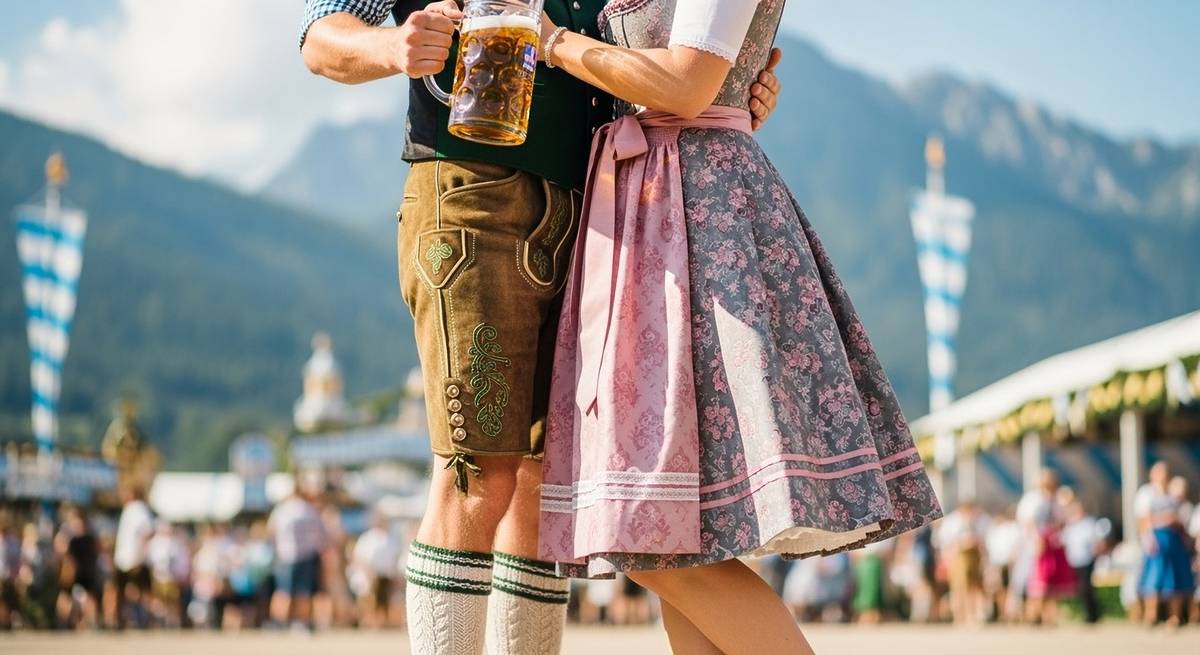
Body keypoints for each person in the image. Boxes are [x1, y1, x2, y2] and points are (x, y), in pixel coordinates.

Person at [298, 1, 783, 653]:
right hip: (472, 191)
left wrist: (728, 88)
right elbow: (320, 32)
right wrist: (391, 47)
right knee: (478, 471)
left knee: (542, 485)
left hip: (605, 203)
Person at [535, 2, 943, 652]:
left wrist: (552, 43)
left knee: (647, 530)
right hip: (651, 203)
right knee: (671, 536)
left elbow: (687, 83)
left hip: (702, 211)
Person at [1135, 462, 1195, 627]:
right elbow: (1143, 519)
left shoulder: (1174, 492)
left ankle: (1174, 616)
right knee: (1153, 579)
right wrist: (1163, 521)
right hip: (1156, 540)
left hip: (1174, 540)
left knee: (1175, 578)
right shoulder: (1146, 493)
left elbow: (1183, 517)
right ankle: (1151, 615)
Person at [1016, 471, 1076, 626]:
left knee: (1053, 583)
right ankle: (1034, 614)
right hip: (1036, 544)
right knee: (1037, 581)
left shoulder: (1057, 500)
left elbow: (1063, 520)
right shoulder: (1033, 499)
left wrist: (1057, 532)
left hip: (1052, 544)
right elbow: (1027, 521)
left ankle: (1050, 616)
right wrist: (1036, 539)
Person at [267, 482, 326, 631]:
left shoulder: (282, 510)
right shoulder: (309, 510)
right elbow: (321, 534)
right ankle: (300, 623)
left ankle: (278, 622)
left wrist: (276, 549)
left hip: (286, 555)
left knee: (283, 591)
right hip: (306, 555)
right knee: (303, 592)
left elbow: (271, 532)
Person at [939, 500, 988, 624]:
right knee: (959, 588)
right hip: (958, 557)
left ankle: (974, 615)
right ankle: (960, 616)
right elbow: (945, 542)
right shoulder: (953, 521)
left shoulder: (979, 520)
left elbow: (983, 541)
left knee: (974, 587)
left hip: (974, 557)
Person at [1060, 499, 1109, 624]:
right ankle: (1089, 612)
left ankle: (1092, 614)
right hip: (1074, 560)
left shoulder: (1089, 523)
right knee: (1081, 588)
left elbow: (1097, 540)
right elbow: (1063, 540)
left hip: (1087, 559)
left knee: (1086, 587)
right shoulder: (1070, 525)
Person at [112, 485, 155, 629]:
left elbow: (147, 532)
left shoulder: (138, 509)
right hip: (126, 558)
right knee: (123, 590)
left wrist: (139, 555)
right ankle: (121, 620)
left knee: (142, 592)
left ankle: (146, 620)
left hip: (133, 559)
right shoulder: (130, 509)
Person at [53, 506, 102, 629]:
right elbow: (59, 549)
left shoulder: (89, 534)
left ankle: (90, 623)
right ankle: (63, 623)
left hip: (86, 570)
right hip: (70, 571)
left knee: (89, 597)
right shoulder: (66, 533)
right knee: (66, 596)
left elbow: (97, 549)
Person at [349, 514, 400, 628]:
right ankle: (367, 620)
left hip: (385, 574)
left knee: (383, 599)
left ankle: (380, 621)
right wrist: (367, 572)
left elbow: (394, 558)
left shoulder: (390, 538)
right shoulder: (367, 538)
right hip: (370, 574)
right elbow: (358, 556)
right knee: (368, 598)